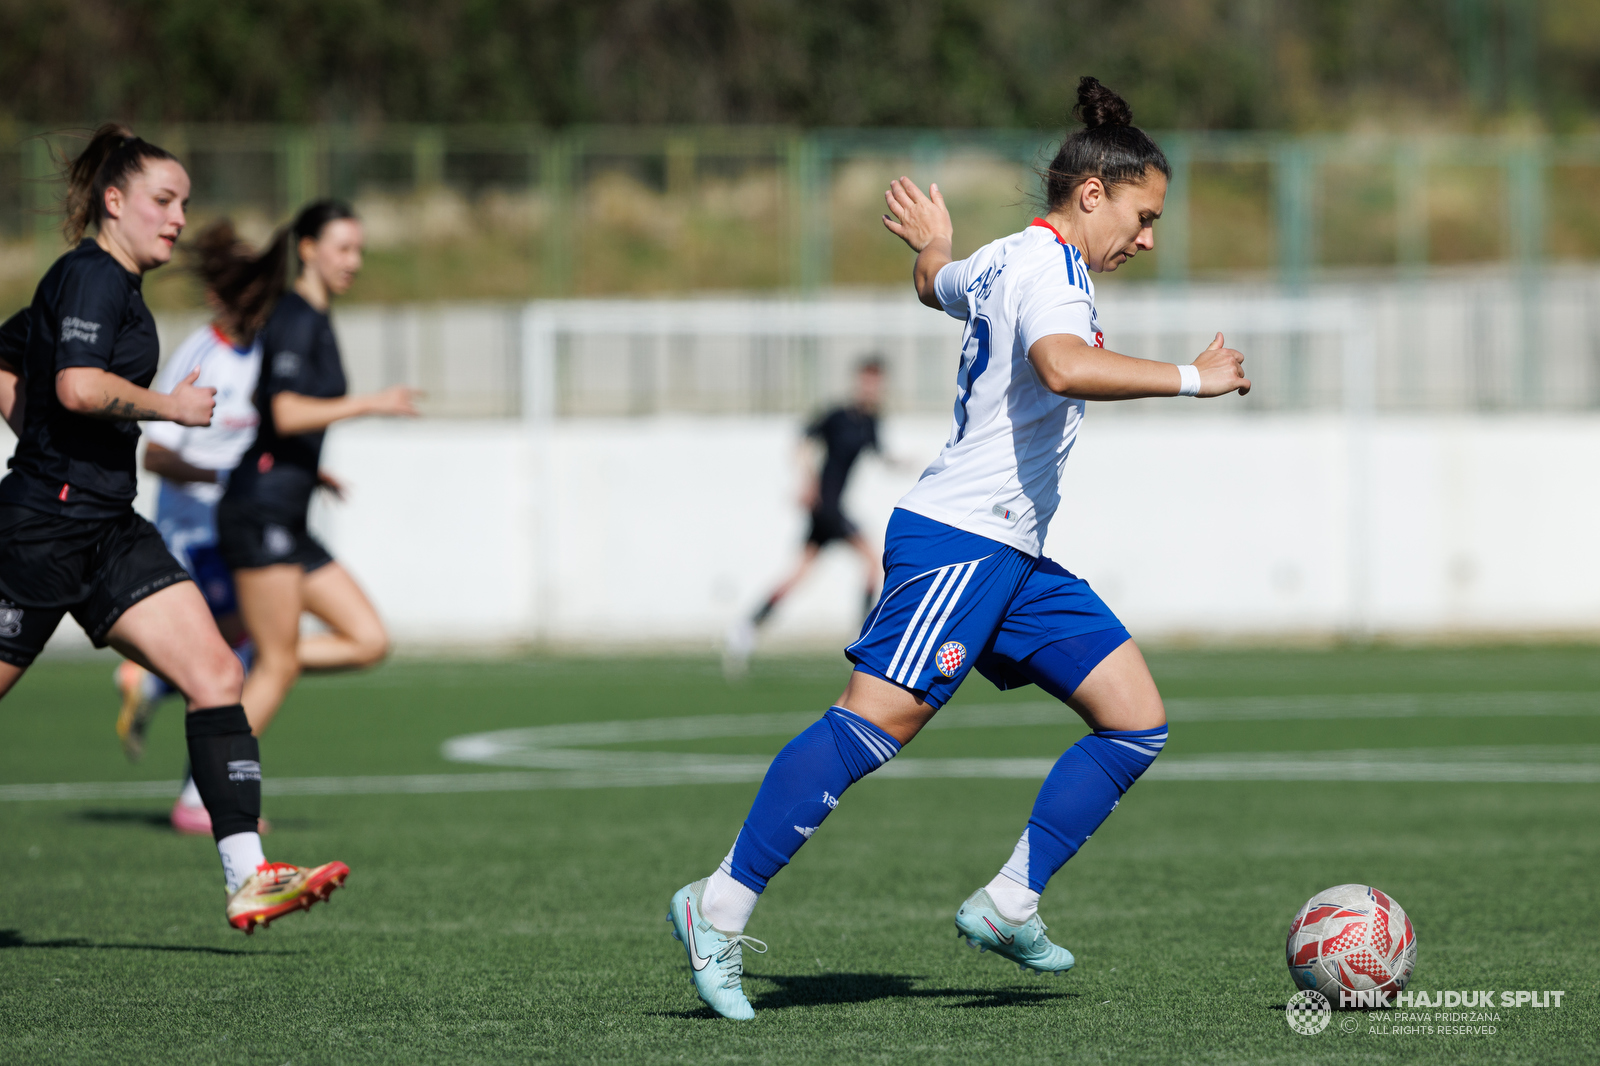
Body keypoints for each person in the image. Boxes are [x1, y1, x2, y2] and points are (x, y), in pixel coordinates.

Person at [668, 78, 1251, 1020]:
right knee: (871, 725)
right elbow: (1062, 367)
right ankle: (717, 907)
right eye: (1143, 217)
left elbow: (936, 285)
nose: (1148, 239)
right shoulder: (1051, 275)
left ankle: (1011, 899)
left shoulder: (1005, 259)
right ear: (1092, 195)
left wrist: (934, 250)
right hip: (960, 541)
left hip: (1012, 554)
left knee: (1135, 718)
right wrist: (1196, 377)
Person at [0, 124, 347, 932]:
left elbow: (16, 362)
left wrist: (39, 430)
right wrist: (168, 409)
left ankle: (250, 874)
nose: (179, 218)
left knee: (218, 676)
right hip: (42, 530)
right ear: (113, 203)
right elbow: (82, 387)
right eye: (164, 200)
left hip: (106, 528)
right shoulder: (91, 276)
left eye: (185, 203)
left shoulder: (109, 287)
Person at [107, 221, 287, 837]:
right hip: (194, 538)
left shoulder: (265, 352)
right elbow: (153, 454)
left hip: (238, 532)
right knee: (245, 653)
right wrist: (219, 480)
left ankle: (149, 685)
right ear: (218, 295)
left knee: (250, 652)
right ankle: (199, 796)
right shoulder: (197, 356)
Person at [217, 199, 418, 740]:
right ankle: (203, 792)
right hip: (260, 515)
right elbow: (283, 411)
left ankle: (239, 660)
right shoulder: (295, 317)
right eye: (343, 249)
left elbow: (282, 422)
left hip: (288, 516)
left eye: (359, 251)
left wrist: (311, 470)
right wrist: (371, 402)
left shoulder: (316, 316)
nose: (353, 261)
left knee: (368, 639)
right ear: (307, 249)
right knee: (278, 666)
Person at [723, 356, 900, 677]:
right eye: (867, 380)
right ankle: (862, 636)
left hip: (831, 509)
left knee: (798, 574)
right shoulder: (838, 416)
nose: (872, 387)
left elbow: (881, 455)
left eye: (877, 381)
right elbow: (802, 440)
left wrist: (904, 463)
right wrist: (806, 481)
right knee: (873, 561)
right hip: (826, 507)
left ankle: (747, 627)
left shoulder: (871, 422)